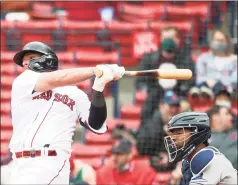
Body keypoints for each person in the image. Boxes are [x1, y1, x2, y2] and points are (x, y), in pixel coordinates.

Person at [8, 41, 125, 184]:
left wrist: (99, 88)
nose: (26, 64)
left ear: (48, 60)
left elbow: (97, 124)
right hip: (19, 164)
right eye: (24, 62)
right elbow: (57, 78)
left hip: (50, 161)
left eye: (31, 58)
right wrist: (95, 70)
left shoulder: (74, 94)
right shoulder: (22, 82)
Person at [136, 26, 195, 123]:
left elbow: (190, 81)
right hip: (155, 95)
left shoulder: (186, 59)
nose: (168, 42)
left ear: (177, 40)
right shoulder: (149, 58)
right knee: (146, 112)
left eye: (171, 39)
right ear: (160, 39)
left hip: (178, 94)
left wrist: (181, 97)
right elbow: (141, 81)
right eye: (165, 39)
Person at [164, 112, 237, 185]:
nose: (173, 138)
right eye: (172, 134)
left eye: (179, 133)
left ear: (196, 134)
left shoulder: (208, 160)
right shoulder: (187, 161)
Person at [136, 91, 181, 172]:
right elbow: (141, 149)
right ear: (161, 106)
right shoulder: (150, 124)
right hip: (151, 171)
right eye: (171, 106)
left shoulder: (181, 127)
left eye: (176, 106)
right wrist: (161, 131)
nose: (174, 110)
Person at [190, 29, 237, 98]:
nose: (219, 43)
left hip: (226, 92)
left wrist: (218, 83)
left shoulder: (234, 59)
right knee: (199, 88)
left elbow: (235, 80)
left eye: (221, 41)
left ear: (227, 42)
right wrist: (208, 82)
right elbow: (199, 77)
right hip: (205, 89)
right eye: (216, 40)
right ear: (212, 41)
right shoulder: (203, 58)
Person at [207, 105, 237, 169]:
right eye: (227, 114)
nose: (231, 118)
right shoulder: (203, 139)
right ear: (215, 117)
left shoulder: (234, 135)